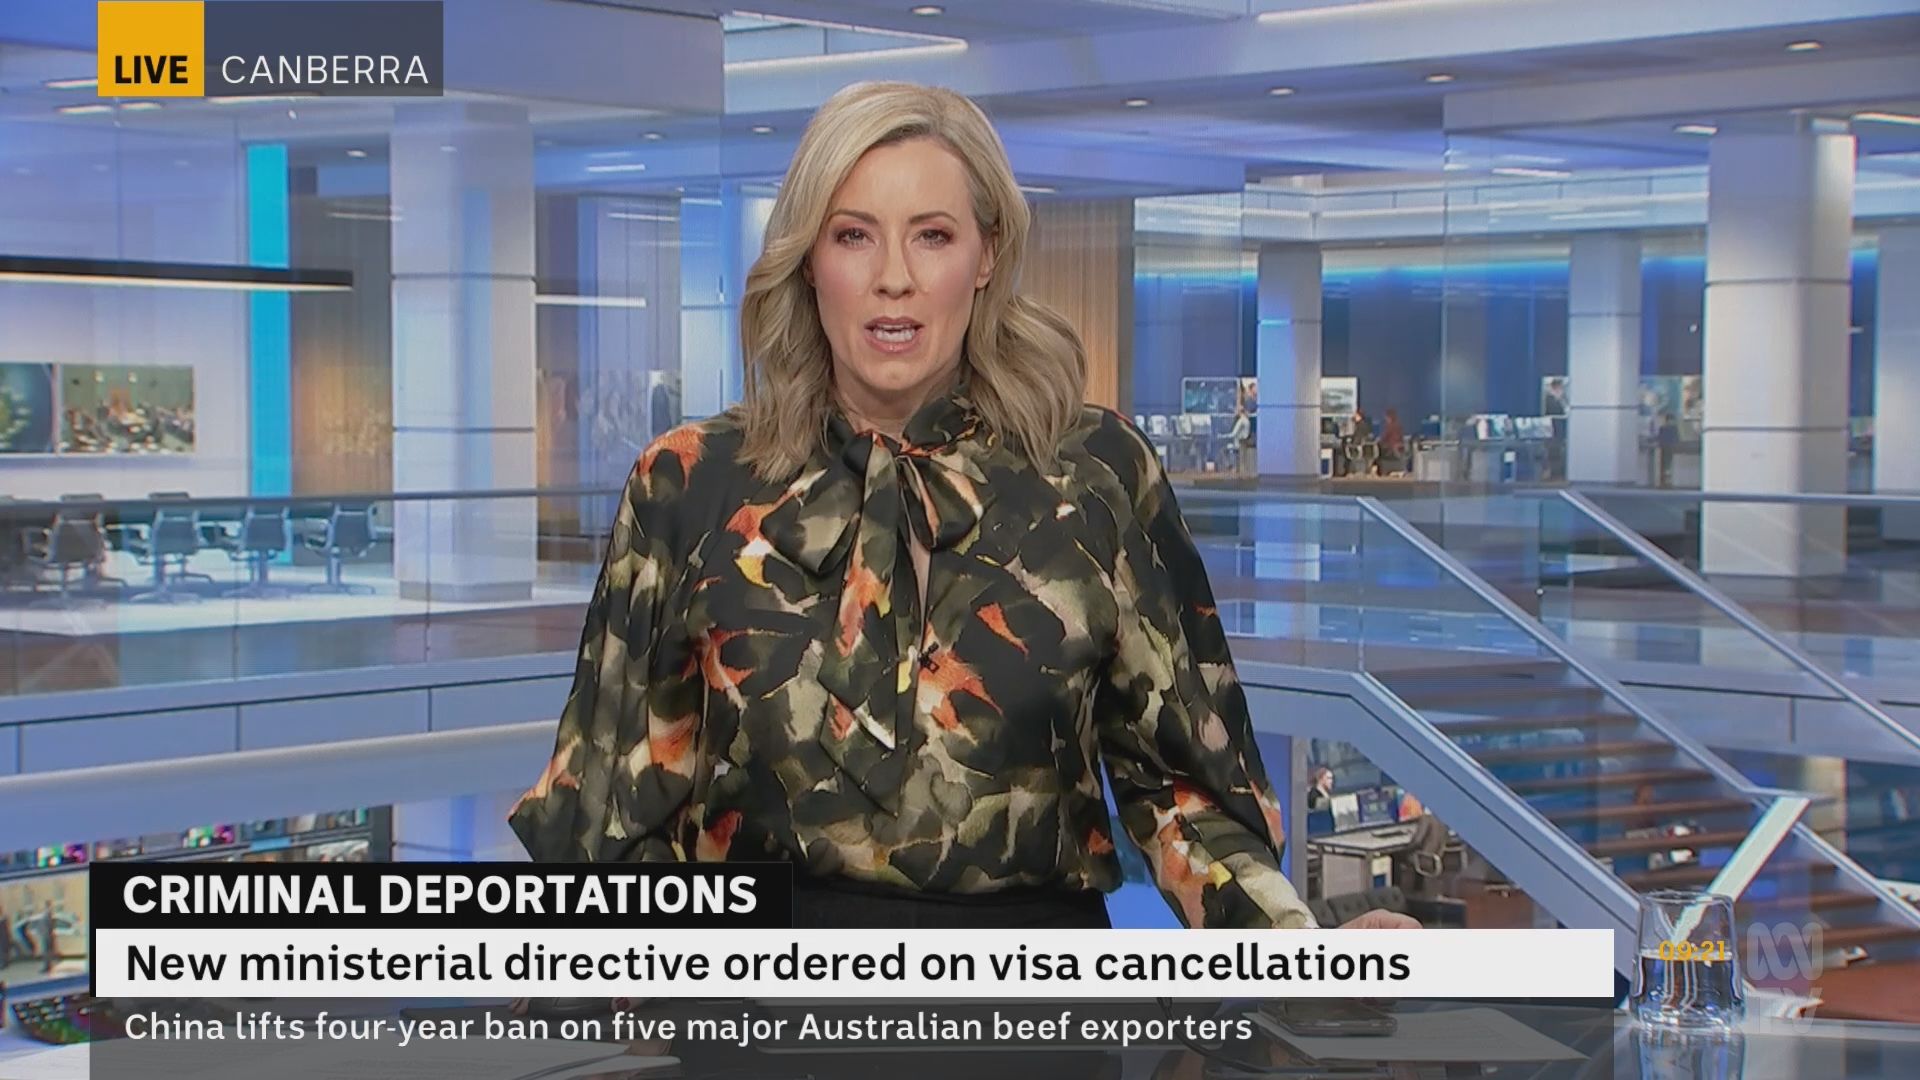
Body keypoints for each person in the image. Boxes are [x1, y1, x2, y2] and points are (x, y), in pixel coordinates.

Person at [508, 81, 1413, 936]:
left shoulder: (1096, 474)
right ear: (808, 260)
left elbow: (1184, 798)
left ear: (986, 257)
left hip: (1030, 998)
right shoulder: (690, 482)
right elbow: (611, 813)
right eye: (853, 235)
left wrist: (1303, 951)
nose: (893, 277)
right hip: (765, 998)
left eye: (933, 236)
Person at [1227, 401, 1252, 476]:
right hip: (1245, 441)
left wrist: (1223, 436)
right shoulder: (1247, 420)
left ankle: (1237, 470)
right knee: (1243, 458)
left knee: (1240, 457)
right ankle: (1243, 472)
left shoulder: (1241, 421)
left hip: (1240, 441)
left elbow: (1234, 433)